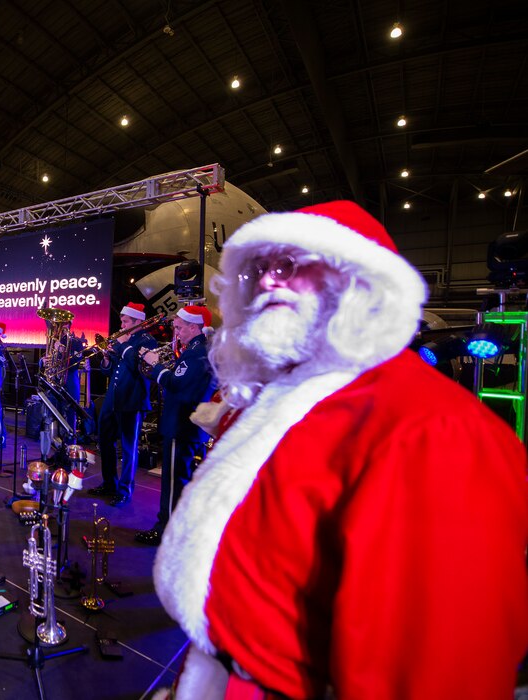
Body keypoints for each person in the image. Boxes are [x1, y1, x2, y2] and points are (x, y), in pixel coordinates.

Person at [154, 201, 528, 699]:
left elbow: (431, 670)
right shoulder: (274, 400)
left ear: (359, 283)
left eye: (293, 265)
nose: (269, 282)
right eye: (260, 268)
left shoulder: (433, 429)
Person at [136, 305, 215, 545]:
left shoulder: (196, 353)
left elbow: (176, 383)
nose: (176, 332)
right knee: (182, 481)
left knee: (173, 483)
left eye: (180, 327)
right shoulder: (198, 350)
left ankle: (165, 531)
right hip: (188, 426)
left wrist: (155, 364)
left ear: (194, 326)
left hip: (181, 425)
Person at [89, 302, 157, 507]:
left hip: (132, 400)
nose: (121, 324)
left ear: (137, 322)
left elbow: (138, 367)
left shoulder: (147, 341)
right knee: (105, 441)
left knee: (128, 447)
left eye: (126, 321)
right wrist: (107, 359)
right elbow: (111, 372)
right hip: (113, 398)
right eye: (122, 320)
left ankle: (125, 489)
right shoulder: (123, 341)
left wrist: (122, 345)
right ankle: (109, 482)